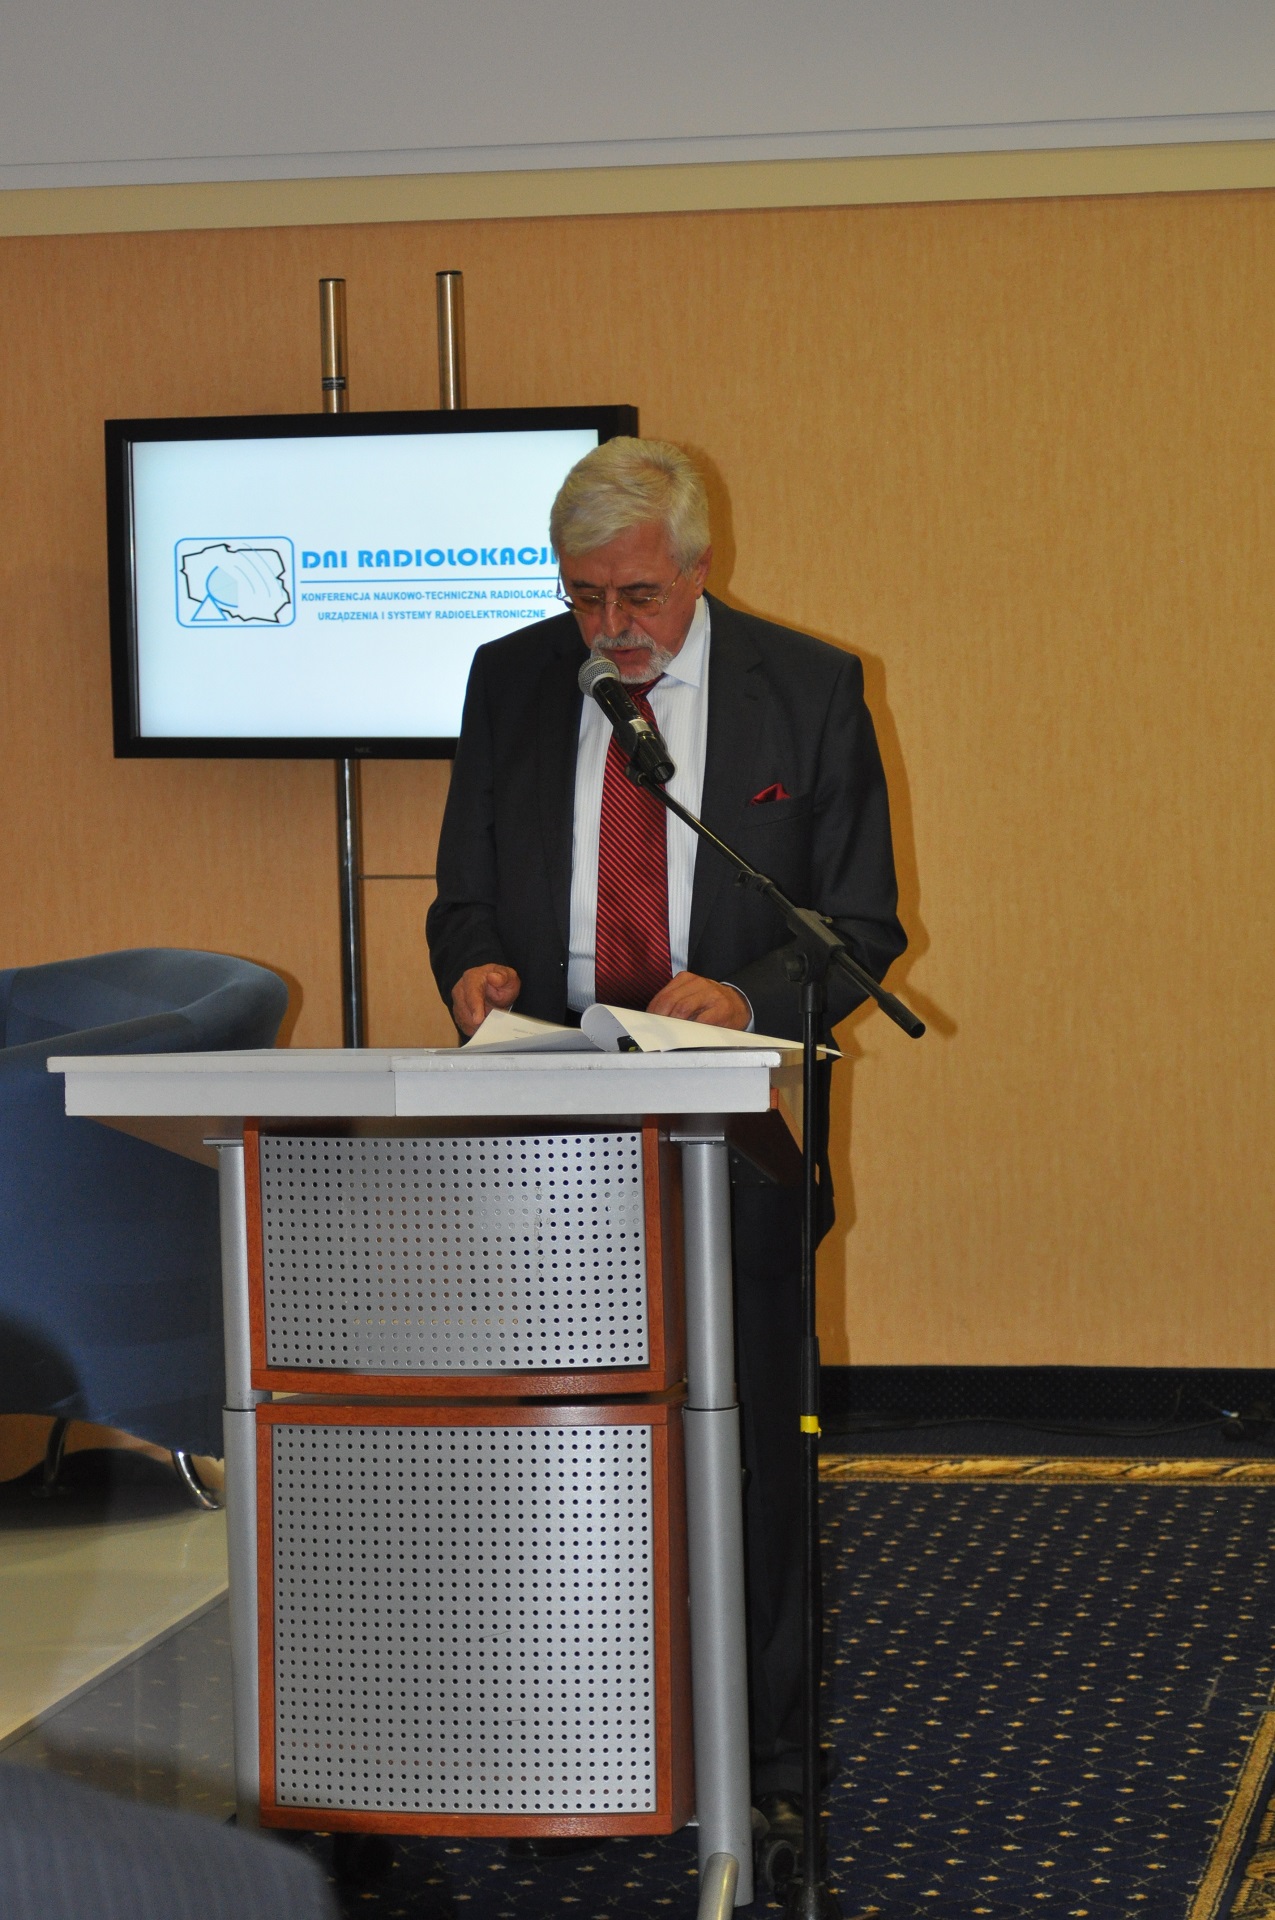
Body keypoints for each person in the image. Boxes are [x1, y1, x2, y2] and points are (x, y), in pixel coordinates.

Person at [426, 437, 906, 1843]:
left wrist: (745, 995)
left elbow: (859, 931)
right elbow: (463, 891)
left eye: (637, 596)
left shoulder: (808, 689)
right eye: (584, 597)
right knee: (551, 1445)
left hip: (723, 1124)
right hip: (545, 1118)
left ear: (700, 569)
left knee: (749, 1446)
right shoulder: (511, 680)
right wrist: (471, 965)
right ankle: (554, 1720)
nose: (611, 628)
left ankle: (769, 1758)